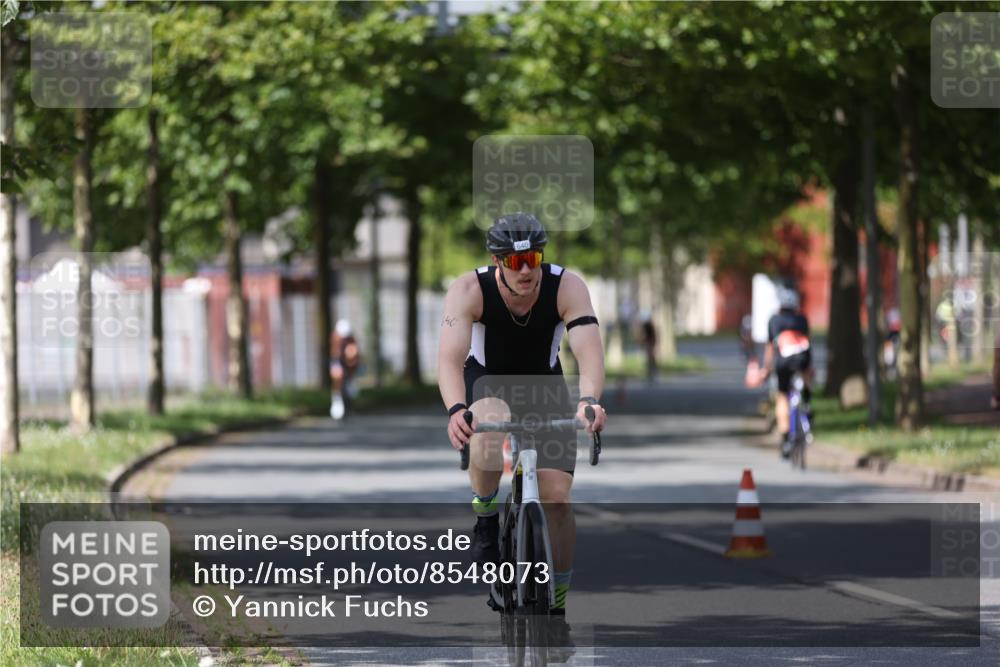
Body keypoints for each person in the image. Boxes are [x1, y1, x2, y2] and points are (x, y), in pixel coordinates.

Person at [437, 212, 607, 652]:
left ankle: (557, 607)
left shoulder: (567, 286)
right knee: (487, 420)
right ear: (498, 263)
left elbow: (587, 349)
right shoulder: (468, 290)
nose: (527, 270)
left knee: (557, 497)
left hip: (544, 384)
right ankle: (486, 516)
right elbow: (449, 358)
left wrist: (589, 400)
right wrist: (457, 409)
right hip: (487, 380)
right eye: (516, 262)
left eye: (533, 258)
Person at [760, 282, 812, 458]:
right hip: (803, 359)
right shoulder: (802, 319)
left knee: (782, 396)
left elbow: (770, 348)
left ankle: (785, 439)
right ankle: (808, 402)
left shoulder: (774, 321)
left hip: (783, 361)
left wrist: (766, 368)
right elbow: (807, 343)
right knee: (805, 375)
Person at [329, 319, 360, 420]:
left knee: (349, 388)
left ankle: (349, 408)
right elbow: (335, 358)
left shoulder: (351, 340)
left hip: (349, 366)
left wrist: (352, 361)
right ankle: (337, 400)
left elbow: (355, 357)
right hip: (338, 364)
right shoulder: (335, 340)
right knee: (338, 381)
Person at [639, 311, 657, 381]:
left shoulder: (648, 326)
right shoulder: (648, 325)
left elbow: (648, 336)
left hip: (649, 343)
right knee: (650, 358)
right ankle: (651, 372)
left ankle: (652, 372)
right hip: (649, 343)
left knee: (651, 358)